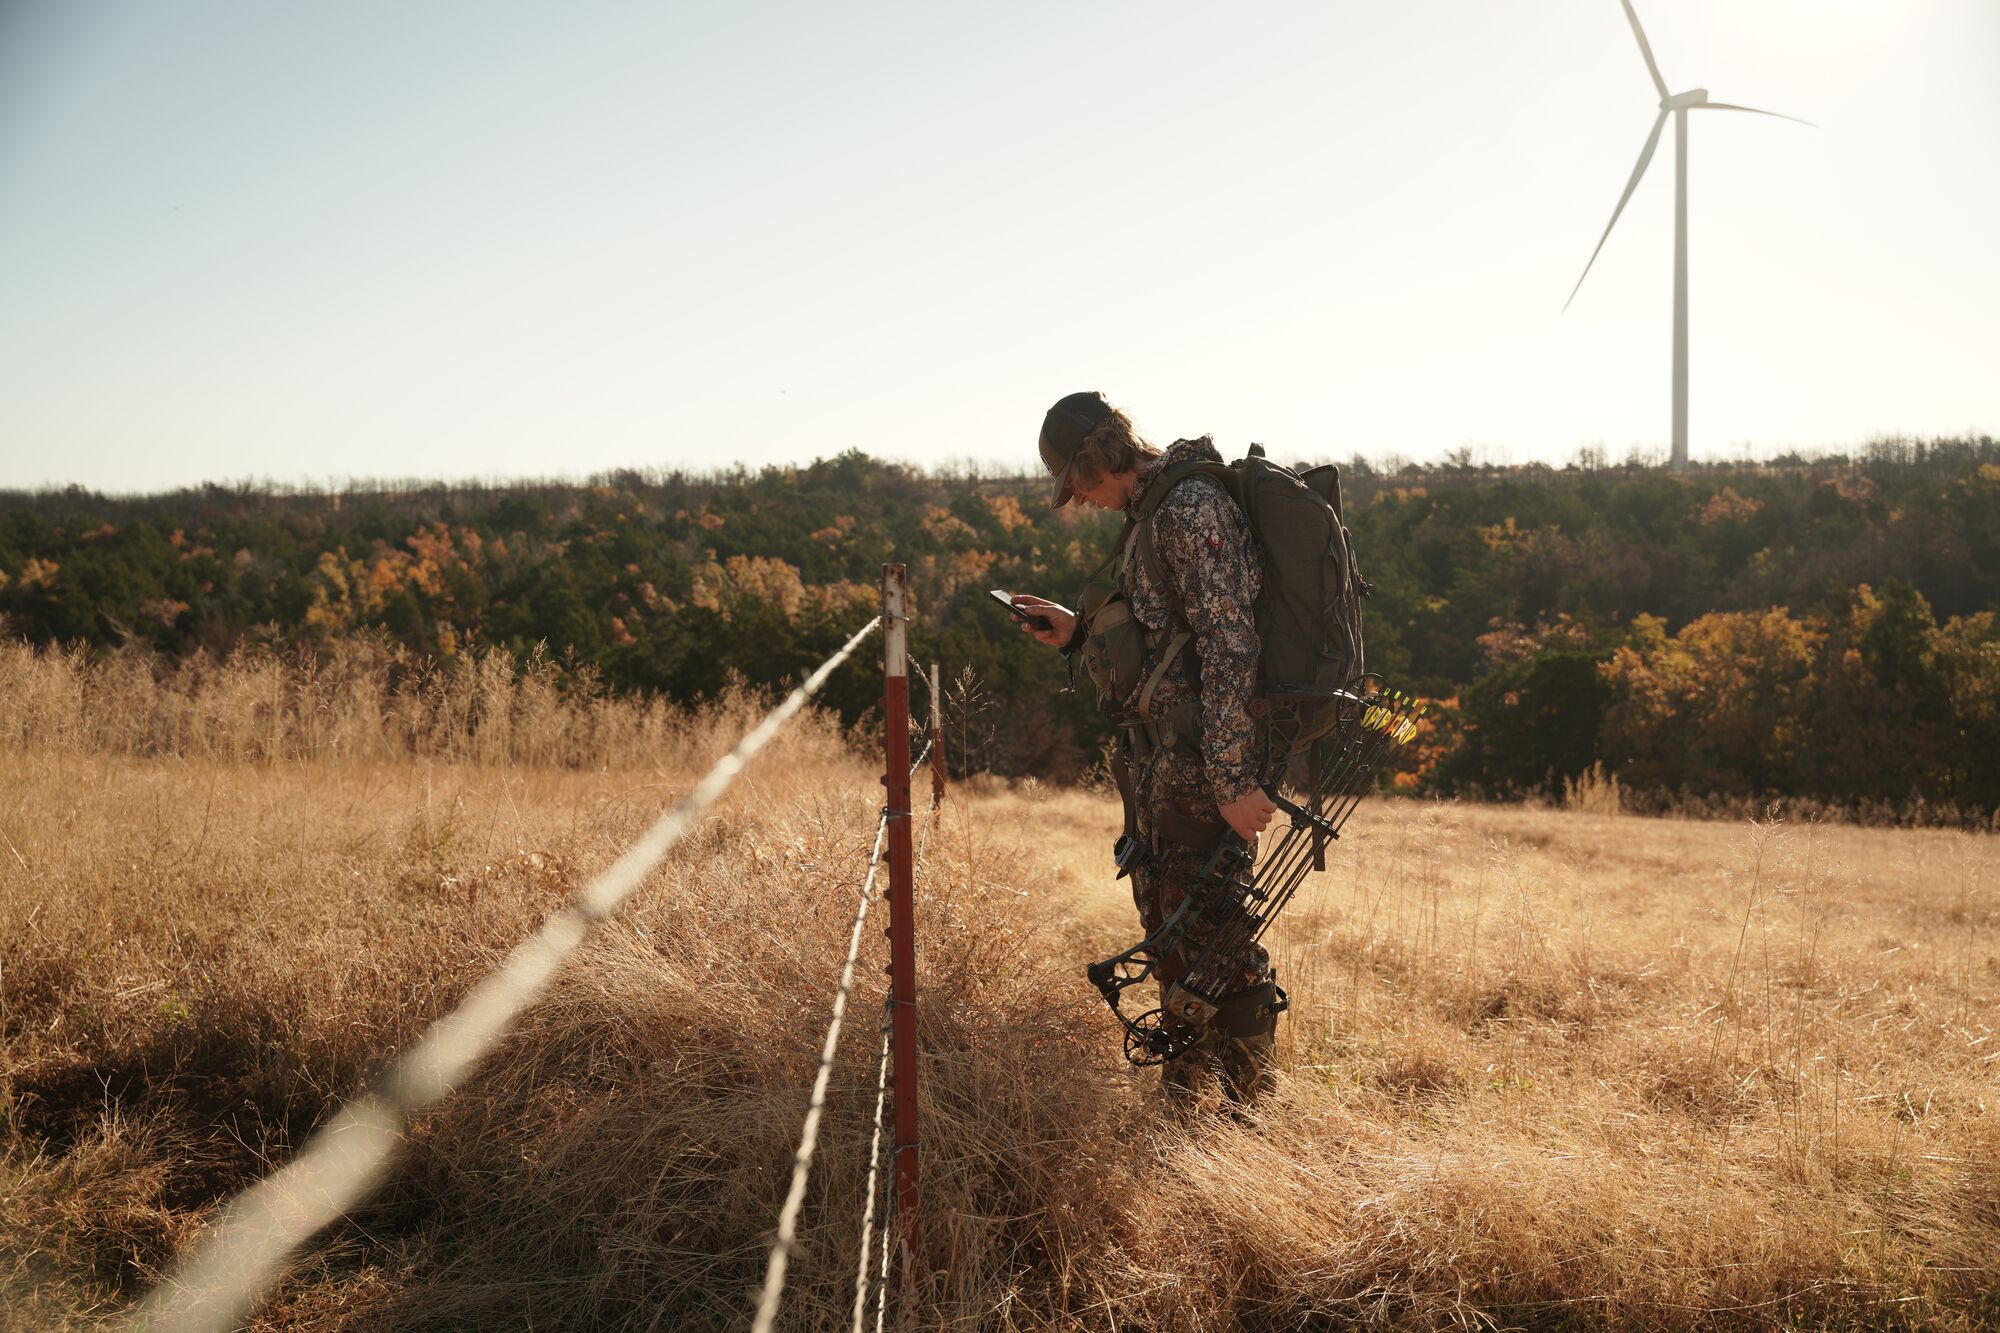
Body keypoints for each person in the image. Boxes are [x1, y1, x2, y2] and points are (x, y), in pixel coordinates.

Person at [1012, 391, 1284, 1108]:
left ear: (1100, 458)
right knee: (1173, 929)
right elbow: (1172, 640)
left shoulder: (1190, 508)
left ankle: (1251, 1118)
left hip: (1202, 767)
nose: (1083, 500)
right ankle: (1188, 1104)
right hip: (1166, 764)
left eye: (1080, 483)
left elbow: (1231, 645)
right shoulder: (1151, 513)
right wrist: (1077, 633)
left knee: (1220, 936)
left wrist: (1230, 780)